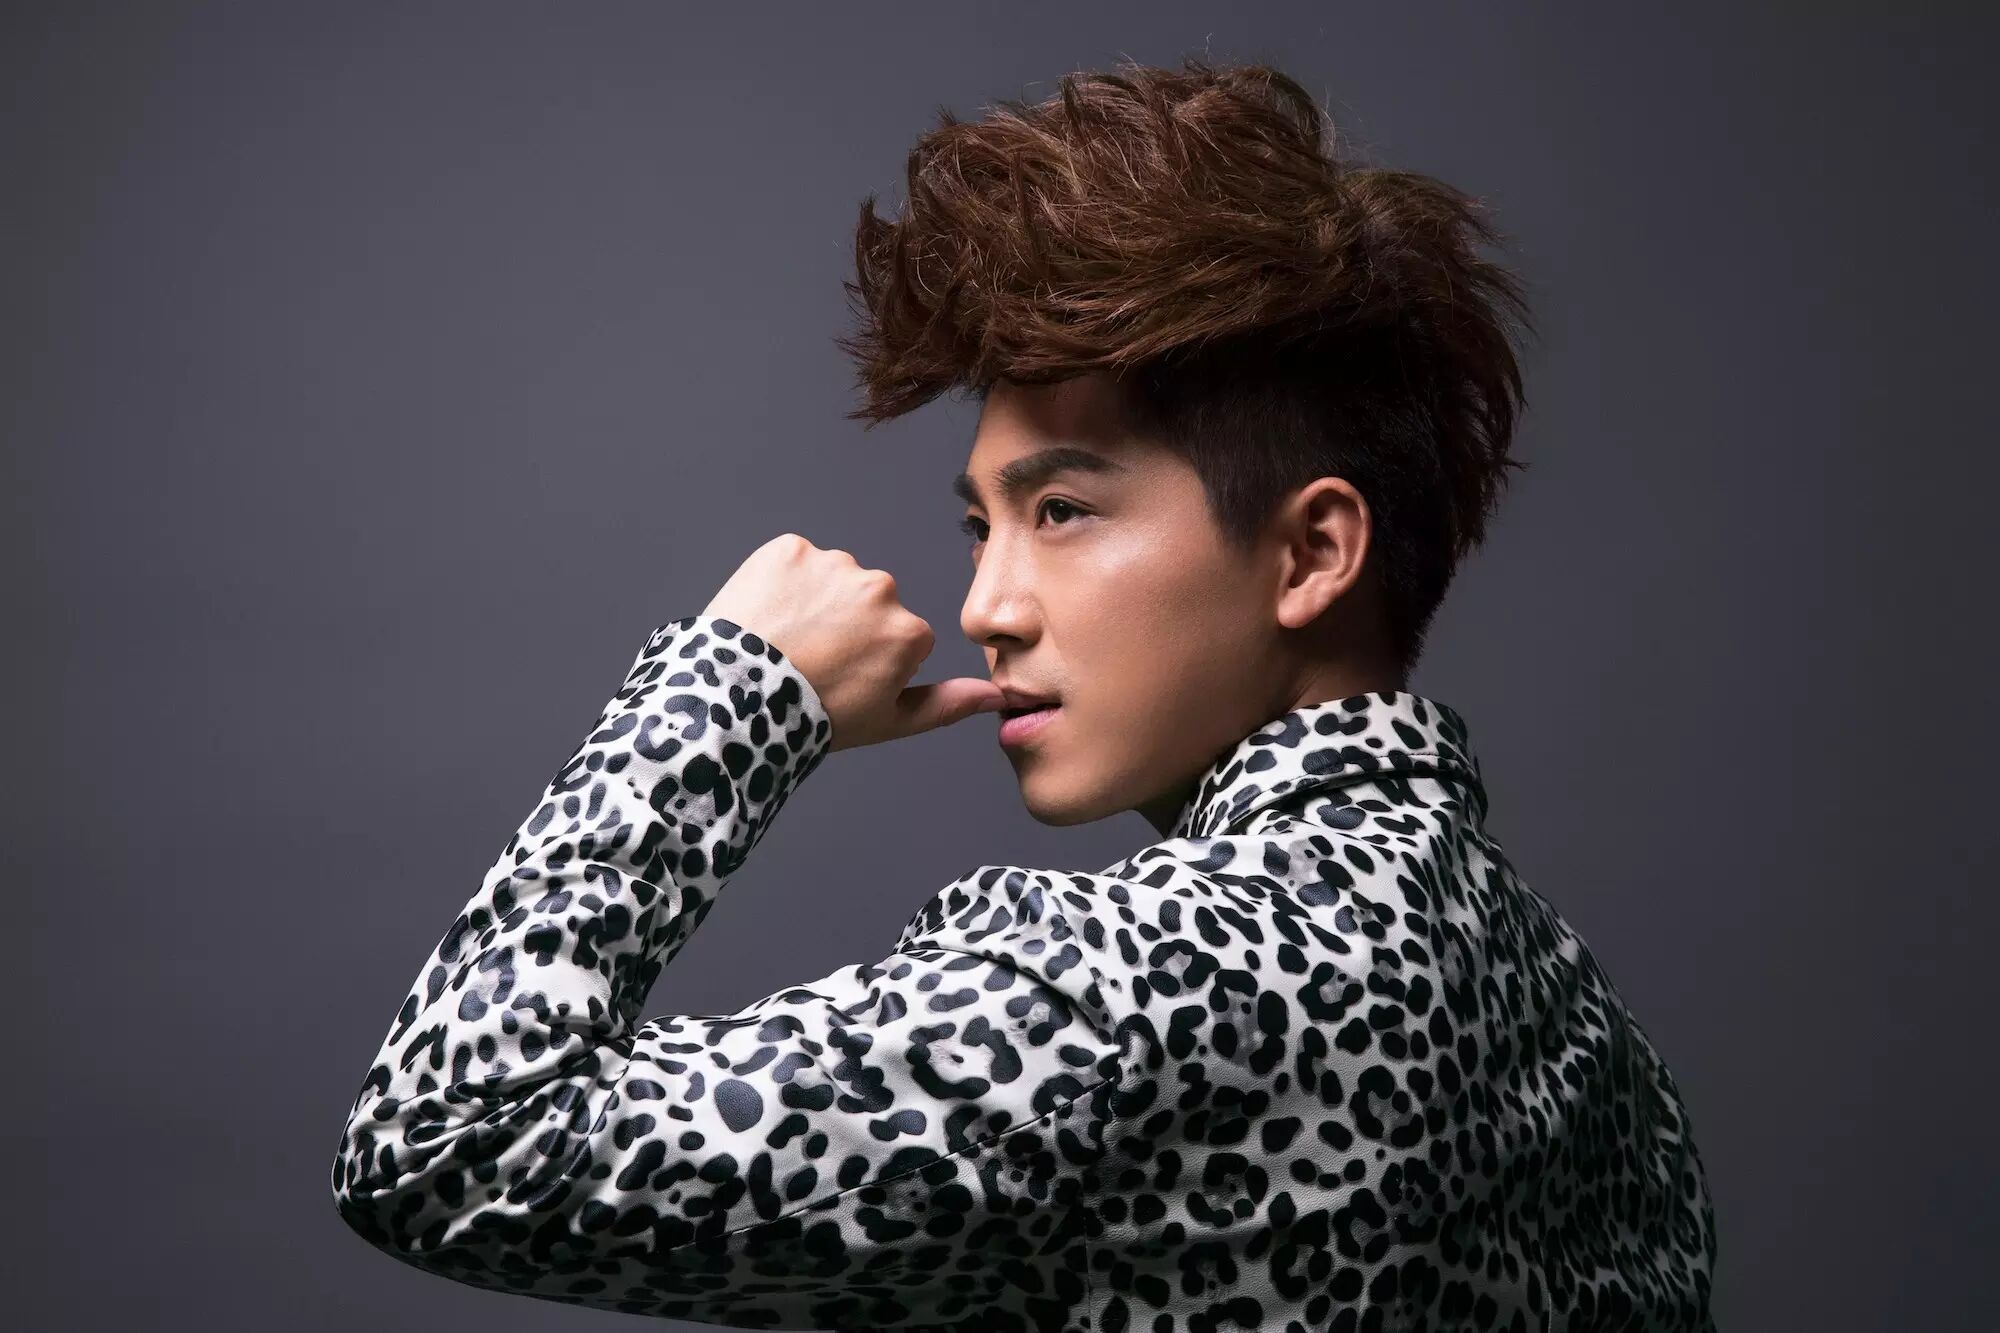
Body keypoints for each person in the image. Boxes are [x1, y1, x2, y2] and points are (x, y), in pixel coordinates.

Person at [330, 57, 1718, 1332]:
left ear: (1311, 553)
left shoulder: (1132, 989)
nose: (988, 605)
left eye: (1061, 510)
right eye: (979, 526)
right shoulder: (1589, 1040)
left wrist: (731, 695)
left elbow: (445, 1145)